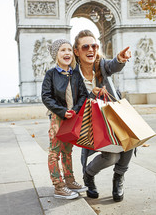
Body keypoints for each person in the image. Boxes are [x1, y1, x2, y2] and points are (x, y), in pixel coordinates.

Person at [73, 30, 133, 202]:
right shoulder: (72, 75)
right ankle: (88, 175)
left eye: (94, 45)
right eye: (85, 46)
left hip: (113, 115)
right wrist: (92, 94)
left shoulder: (101, 65)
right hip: (92, 123)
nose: (91, 49)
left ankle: (118, 179)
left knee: (130, 140)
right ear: (77, 51)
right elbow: (75, 102)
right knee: (112, 156)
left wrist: (121, 59)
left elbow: (112, 65)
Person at [41, 39, 88, 199]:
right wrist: (62, 111)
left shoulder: (75, 73)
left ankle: (69, 180)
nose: (67, 52)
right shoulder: (51, 74)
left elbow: (83, 95)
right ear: (56, 54)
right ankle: (58, 186)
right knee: (54, 152)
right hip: (57, 118)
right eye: (62, 50)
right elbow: (46, 97)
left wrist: (74, 111)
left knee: (67, 151)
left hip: (72, 117)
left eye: (69, 49)